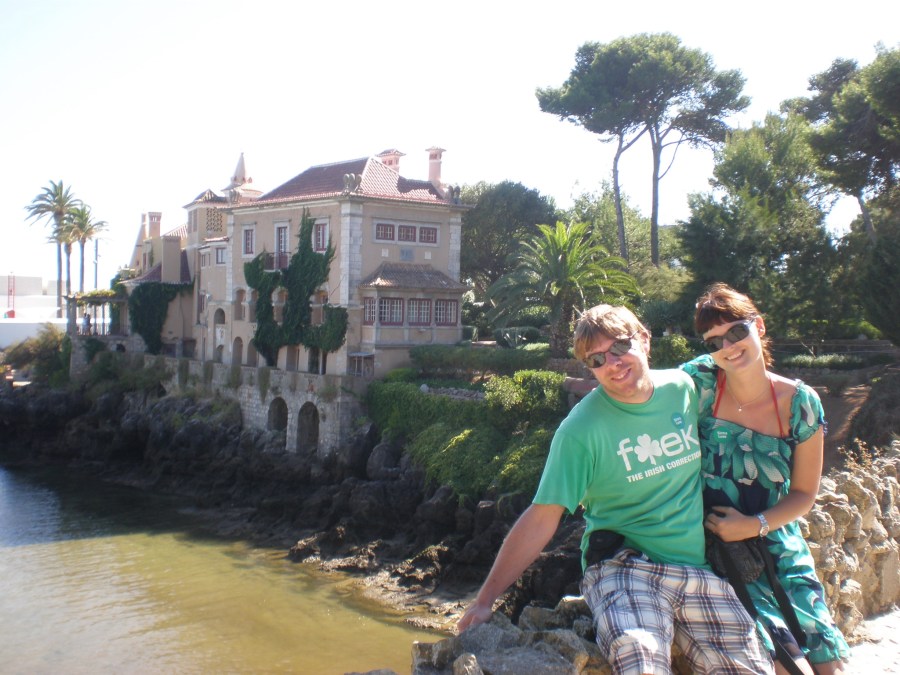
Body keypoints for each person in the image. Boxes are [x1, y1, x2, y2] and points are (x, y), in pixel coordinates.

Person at [458, 304, 773, 675]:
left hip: (695, 569)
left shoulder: (683, 389)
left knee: (749, 667)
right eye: (597, 359)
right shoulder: (580, 430)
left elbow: (744, 369)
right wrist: (484, 600)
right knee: (640, 656)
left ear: (644, 339)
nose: (612, 362)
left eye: (620, 347)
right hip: (623, 567)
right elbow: (543, 516)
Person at [682, 283, 850, 675]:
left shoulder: (800, 403)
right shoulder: (701, 383)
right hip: (720, 550)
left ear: (758, 327)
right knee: (787, 665)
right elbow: (639, 391)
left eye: (736, 331)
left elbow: (806, 493)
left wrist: (752, 525)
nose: (728, 346)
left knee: (828, 662)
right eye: (714, 341)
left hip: (776, 540)